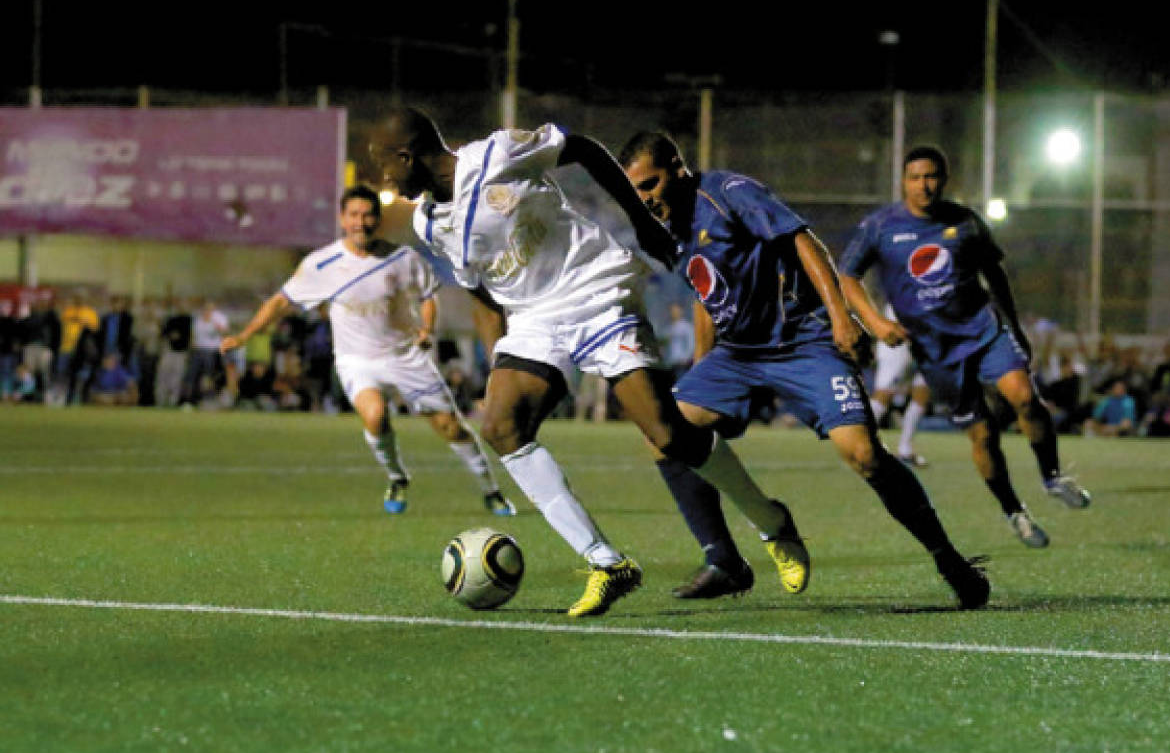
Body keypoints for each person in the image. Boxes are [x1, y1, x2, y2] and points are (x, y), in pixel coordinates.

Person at [369, 107, 807, 618]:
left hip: (595, 289)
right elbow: (481, 293)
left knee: (667, 435)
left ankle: (771, 521)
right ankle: (606, 562)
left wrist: (641, 224)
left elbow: (584, 150)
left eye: (383, 165)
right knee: (502, 426)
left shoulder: (499, 153)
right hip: (533, 318)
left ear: (406, 155)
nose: (383, 178)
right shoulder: (427, 222)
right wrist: (500, 363)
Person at [619, 130, 988, 609]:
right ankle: (724, 560)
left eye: (651, 184)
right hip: (738, 354)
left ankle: (949, 560)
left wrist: (840, 317)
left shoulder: (729, 192)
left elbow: (803, 241)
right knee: (662, 432)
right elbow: (706, 294)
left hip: (803, 341)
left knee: (862, 454)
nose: (645, 198)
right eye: (637, 191)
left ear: (677, 167)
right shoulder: (665, 226)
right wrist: (703, 371)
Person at [838, 145, 1092, 550]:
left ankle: (1052, 476)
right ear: (904, 182)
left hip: (983, 329)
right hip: (934, 350)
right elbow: (847, 276)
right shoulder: (880, 227)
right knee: (982, 436)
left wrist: (1015, 327)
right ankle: (1015, 512)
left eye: (932, 176)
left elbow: (996, 275)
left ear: (944, 178)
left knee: (1025, 397)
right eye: (916, 177)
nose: (925, 185)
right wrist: (876, 322)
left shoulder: (965, 223)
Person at [220, 184, 516, 519]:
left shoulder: (403, 257)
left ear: (378, 219)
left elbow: (428, 296)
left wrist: (425, 330)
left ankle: (491, 490)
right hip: (356, 361)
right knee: (374, 415)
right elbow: (279, 302)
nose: (361, 222)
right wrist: (244, 336)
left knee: (450, 426)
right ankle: (397, 477)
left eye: (368, 214)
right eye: (354, 215)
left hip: (405, 357)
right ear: (342, 219)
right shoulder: (322, 264)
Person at [868, 303, 932, 467]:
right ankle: (861, 443)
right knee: (884, 393)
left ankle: (905, 449)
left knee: (923, 391)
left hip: (928, 335)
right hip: (898, 329)